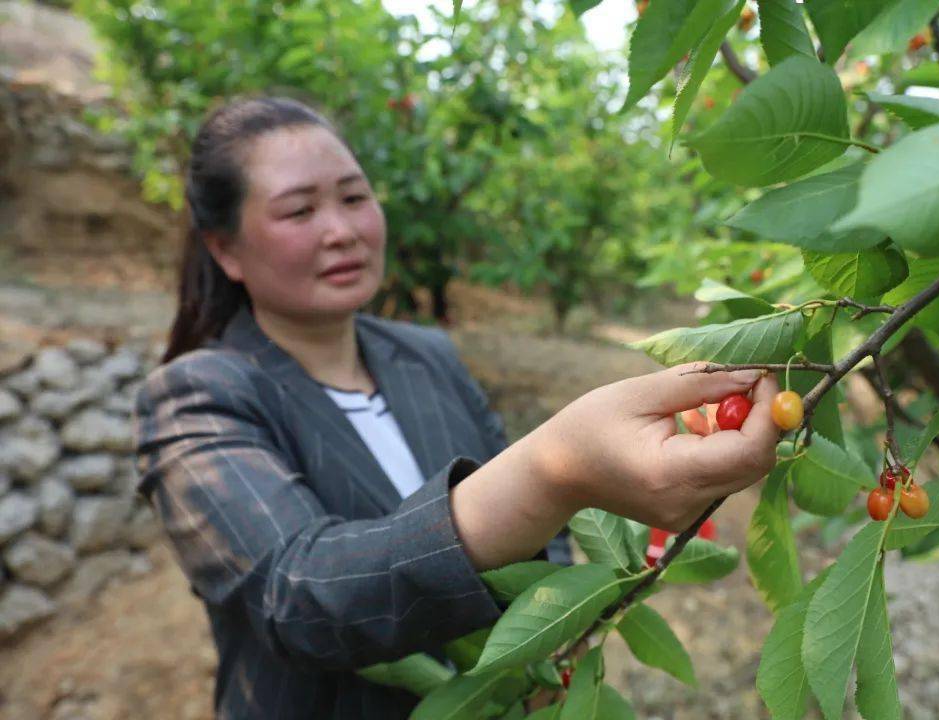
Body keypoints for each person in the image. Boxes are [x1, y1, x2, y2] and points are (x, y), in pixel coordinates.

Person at [131, 95, 781, 720]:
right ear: (226, 249)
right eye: (299, 212)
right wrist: (552, 471)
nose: (342, 230)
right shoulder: (197, 396)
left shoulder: (426, 355)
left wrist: (540, 646)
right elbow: (298, 595)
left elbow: (543, 546)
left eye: (355, 198)